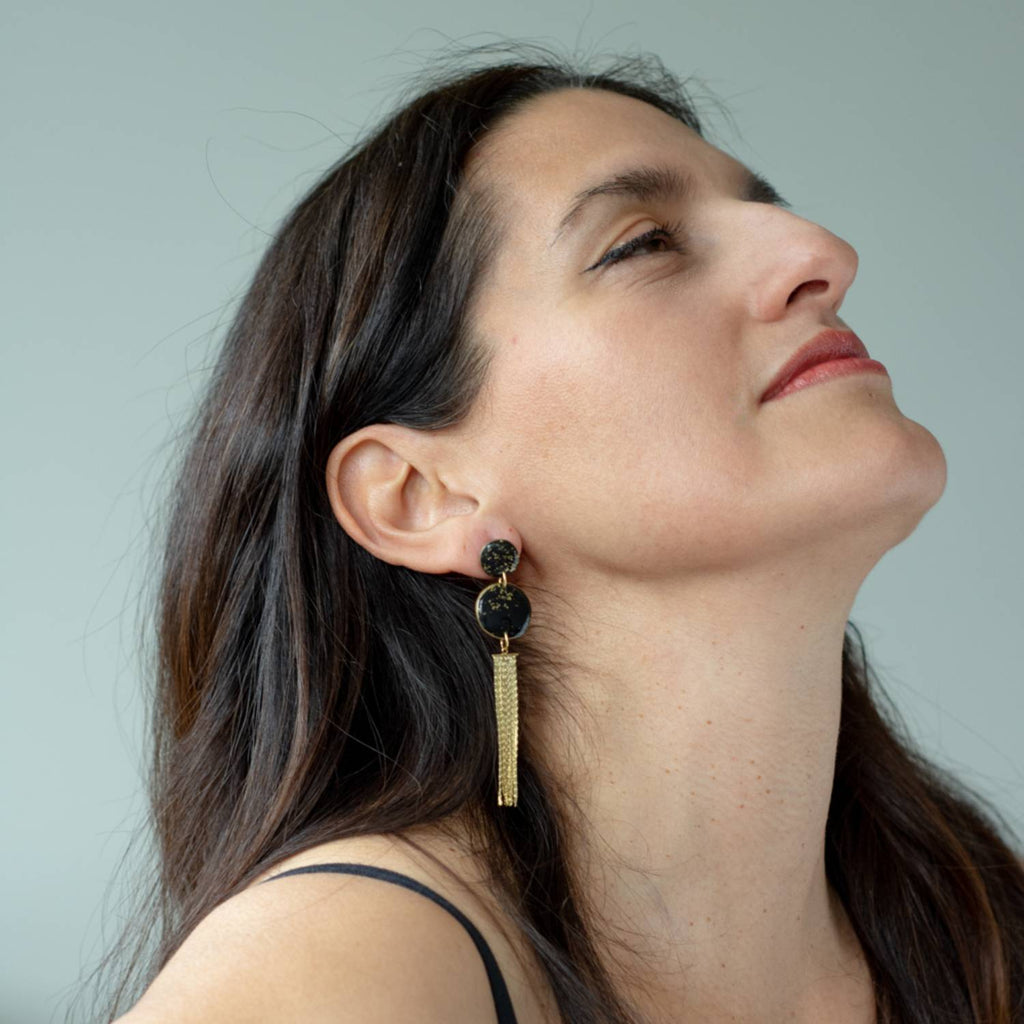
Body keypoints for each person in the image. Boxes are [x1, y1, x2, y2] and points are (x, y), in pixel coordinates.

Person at [95, 40, 1024, 1024]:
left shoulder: (978, 931)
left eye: (768, 210)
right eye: (643, 243)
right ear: (419, 494)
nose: (821, 255)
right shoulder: (339, 969)